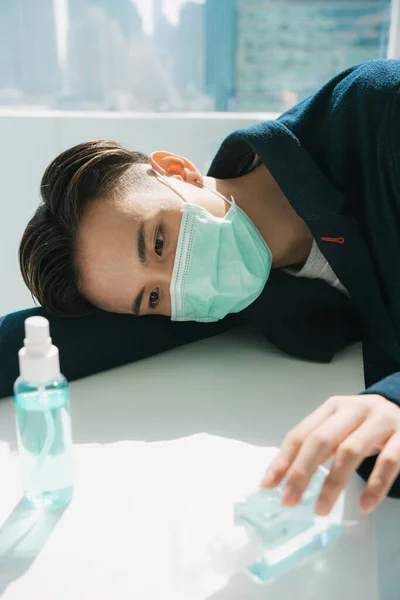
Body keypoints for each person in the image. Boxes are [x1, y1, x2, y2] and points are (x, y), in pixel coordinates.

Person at [9, 58, 400, 516]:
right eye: (152, 298)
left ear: (177, 171)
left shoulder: (377, 113)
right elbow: (51, 339)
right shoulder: (240, 295)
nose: (181, 278)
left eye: (158, 241)